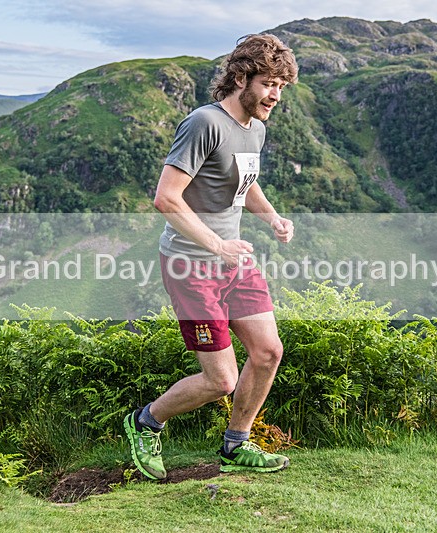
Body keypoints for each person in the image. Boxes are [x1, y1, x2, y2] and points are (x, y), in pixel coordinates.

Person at [123, 34, 298, 480]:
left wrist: (272, 217)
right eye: (269, 83)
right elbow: (166, 198)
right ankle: (146, 422)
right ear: (241, 77)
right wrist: (216, 245)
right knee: (221, 380)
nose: (275, 95)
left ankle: (236, 445)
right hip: (190, 265)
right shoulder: (204, 123)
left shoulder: (255, 128)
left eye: (282, 85)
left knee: (267, 353)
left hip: (233, 261)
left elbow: (244, 181)